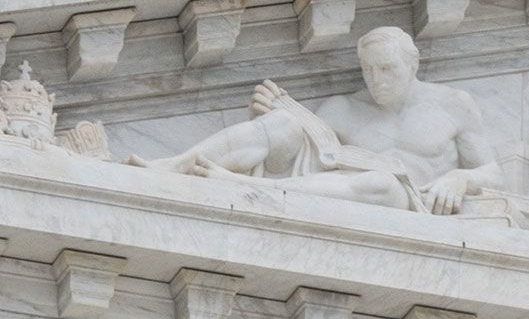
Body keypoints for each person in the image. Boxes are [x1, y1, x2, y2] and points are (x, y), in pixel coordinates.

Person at [136, 27, 500, 214]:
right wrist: (274, 117)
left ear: (413, 63)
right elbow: (312, 156)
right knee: (285, 125)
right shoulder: (343, 108)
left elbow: (493, 173)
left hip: (407, 199)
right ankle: (173, 165)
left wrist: (459, 178)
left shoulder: (453, 103)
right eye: (368, 70)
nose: (377, 79)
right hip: (331, 184)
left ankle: (243, 189)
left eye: (387, 68)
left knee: (382, 182)